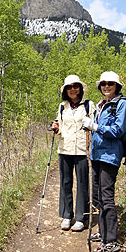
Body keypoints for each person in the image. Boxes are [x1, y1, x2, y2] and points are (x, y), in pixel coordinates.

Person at [82, 71, 126, 252]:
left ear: (117, 85)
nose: (106, 86)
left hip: (110, 157)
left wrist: (95, 127)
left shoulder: (123, 105)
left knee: (106, 197)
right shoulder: (103, 105)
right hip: (97, 155)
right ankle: (103, 233)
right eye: (103, 84)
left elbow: (118, 130)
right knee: (98, 196)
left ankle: (111, 241)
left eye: (110, 83)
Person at [51, 75, 95, 232]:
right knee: (65, 182)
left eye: (75, 86)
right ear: (65, 90)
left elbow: (94, 126)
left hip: (83, 150)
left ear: (80, 88)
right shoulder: (63, 106)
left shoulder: (89, 105)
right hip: (65, 149)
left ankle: (81, 217)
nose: (72, 89)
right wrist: (56, 127)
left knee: (83, 183)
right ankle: (66, 215)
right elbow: (60, 126)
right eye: (69, 87)